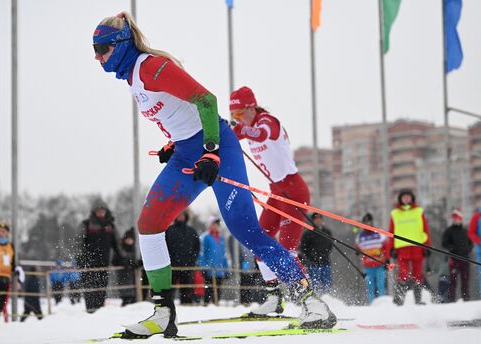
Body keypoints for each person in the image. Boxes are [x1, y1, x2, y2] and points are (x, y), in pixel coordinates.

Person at [91, 11, 336, 338]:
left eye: (102, 47)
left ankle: (311, 301)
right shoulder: (134, 77)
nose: (97, 56)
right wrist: (172, 144)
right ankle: (163, 312)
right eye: (94, 49)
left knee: (245, 229)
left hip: (218, 148)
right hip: (186, 155)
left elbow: (207, 101)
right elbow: (180, 115)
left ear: (121, 44)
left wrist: (208, 148)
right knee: (149, 225)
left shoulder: (151, 67)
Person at [229, 86, 311, 315]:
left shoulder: (267, 120)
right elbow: (238, 135)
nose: (237, 119)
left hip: (293, 191)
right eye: (233, 115)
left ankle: (309, 302)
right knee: (259, 242)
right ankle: (274, 298)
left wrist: (242, 130)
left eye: (239, 113)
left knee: (287, 250)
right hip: (275, 193)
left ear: (251, 107)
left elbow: (264, 134)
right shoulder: (248, 125)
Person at [77, 199, 121, 313]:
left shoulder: (111, 226)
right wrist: (80, 258)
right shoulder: (86, 224)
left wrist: (121, 258)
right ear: (94, 212)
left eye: (103, 211)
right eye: (98, 211)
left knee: (102, 289)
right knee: (90, 290)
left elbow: (117, 245)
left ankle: (100, 313)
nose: (101, 213)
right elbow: (78, 243)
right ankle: (90, 312)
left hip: (104, 264)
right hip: (88, 265)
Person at [389, 189, 431, 305]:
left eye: (408, 197)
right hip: (402, 248)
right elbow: (391, 232)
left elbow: (425, 229)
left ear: (412, 198)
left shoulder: (418, 211)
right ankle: (399, 299)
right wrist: (391, 248)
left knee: (418, 274)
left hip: (417, 246)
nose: (406, 199)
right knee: (403, 274)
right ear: (400, 199)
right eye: (404, 197)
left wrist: (427, 246)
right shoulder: (395, 213)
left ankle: (418, 300)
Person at [165, 212, 200, 305]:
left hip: (187, 266)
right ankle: (168, 305)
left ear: (186, 217)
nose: (180, 217)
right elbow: (165, 247)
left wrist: (191, 261)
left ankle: (187, 306)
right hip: (172, 267)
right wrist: (170, 260)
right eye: (178, 215)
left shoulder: (191, 231)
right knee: (169, 289)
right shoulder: (169, 230)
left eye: (182, 215)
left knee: (187, 291)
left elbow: (197, 248)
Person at [355, 213, 389, 304]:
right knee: (370, 286)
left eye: (369, 222)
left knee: (381, 285)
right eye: (365, 222)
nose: (367, 224)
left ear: (371, 222)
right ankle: (371, 303)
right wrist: (357, 251)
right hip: (368, 266)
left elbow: (386, 246)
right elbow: (357, 248)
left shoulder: (379, 233)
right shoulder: (360, 236)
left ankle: (383, 303)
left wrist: (387, 259)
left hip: (379, 264)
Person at [298, 213, 334, 295]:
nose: (318, 221)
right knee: (315, 284)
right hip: (313, 263)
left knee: (327, 284)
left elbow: (330, 246)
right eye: (316, 219)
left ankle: (327, 297)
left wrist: (324, 254)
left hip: (325, 262)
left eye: (320, 219)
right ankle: (316, 297)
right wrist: (310, 257)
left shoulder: (327, 232)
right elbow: (303, 248)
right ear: (313, 221)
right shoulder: (308, 234)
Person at [442, 208, 472, 302]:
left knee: (465, 280)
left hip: (465, 259)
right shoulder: (449, 230)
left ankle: (466, 297)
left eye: (457, 218)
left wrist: (468, 249)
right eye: (453, 218)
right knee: (453, 281)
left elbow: (470, 243)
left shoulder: (465, 230)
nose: (455, 220)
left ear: (460, 219)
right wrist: (452, 248)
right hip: (454, 259)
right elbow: (444, 243)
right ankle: (451, 299)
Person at [198, 216, 229, 305]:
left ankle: (216, 306)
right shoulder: (205, 237)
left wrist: (226, 269)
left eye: (217, 224)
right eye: (213, 224)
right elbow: (202, 253)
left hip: (219, 270)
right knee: (208, 290)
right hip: (209, 269)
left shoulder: (221, 238)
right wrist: (203, 267)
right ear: (209, 225)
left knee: (218, 291)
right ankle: (206, 306)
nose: (215, 226)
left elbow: (224, 255)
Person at [113, 227, 138, 306]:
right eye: (128, 239)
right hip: (123, 277)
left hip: (133, 278)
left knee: (133, 298)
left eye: (131, 239)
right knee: (126, 297)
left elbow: (135, 261)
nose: (129, 241)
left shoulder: (134, 249)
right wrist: (125, 263)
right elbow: (115, 261)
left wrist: (135, 264)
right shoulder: (120, 249)